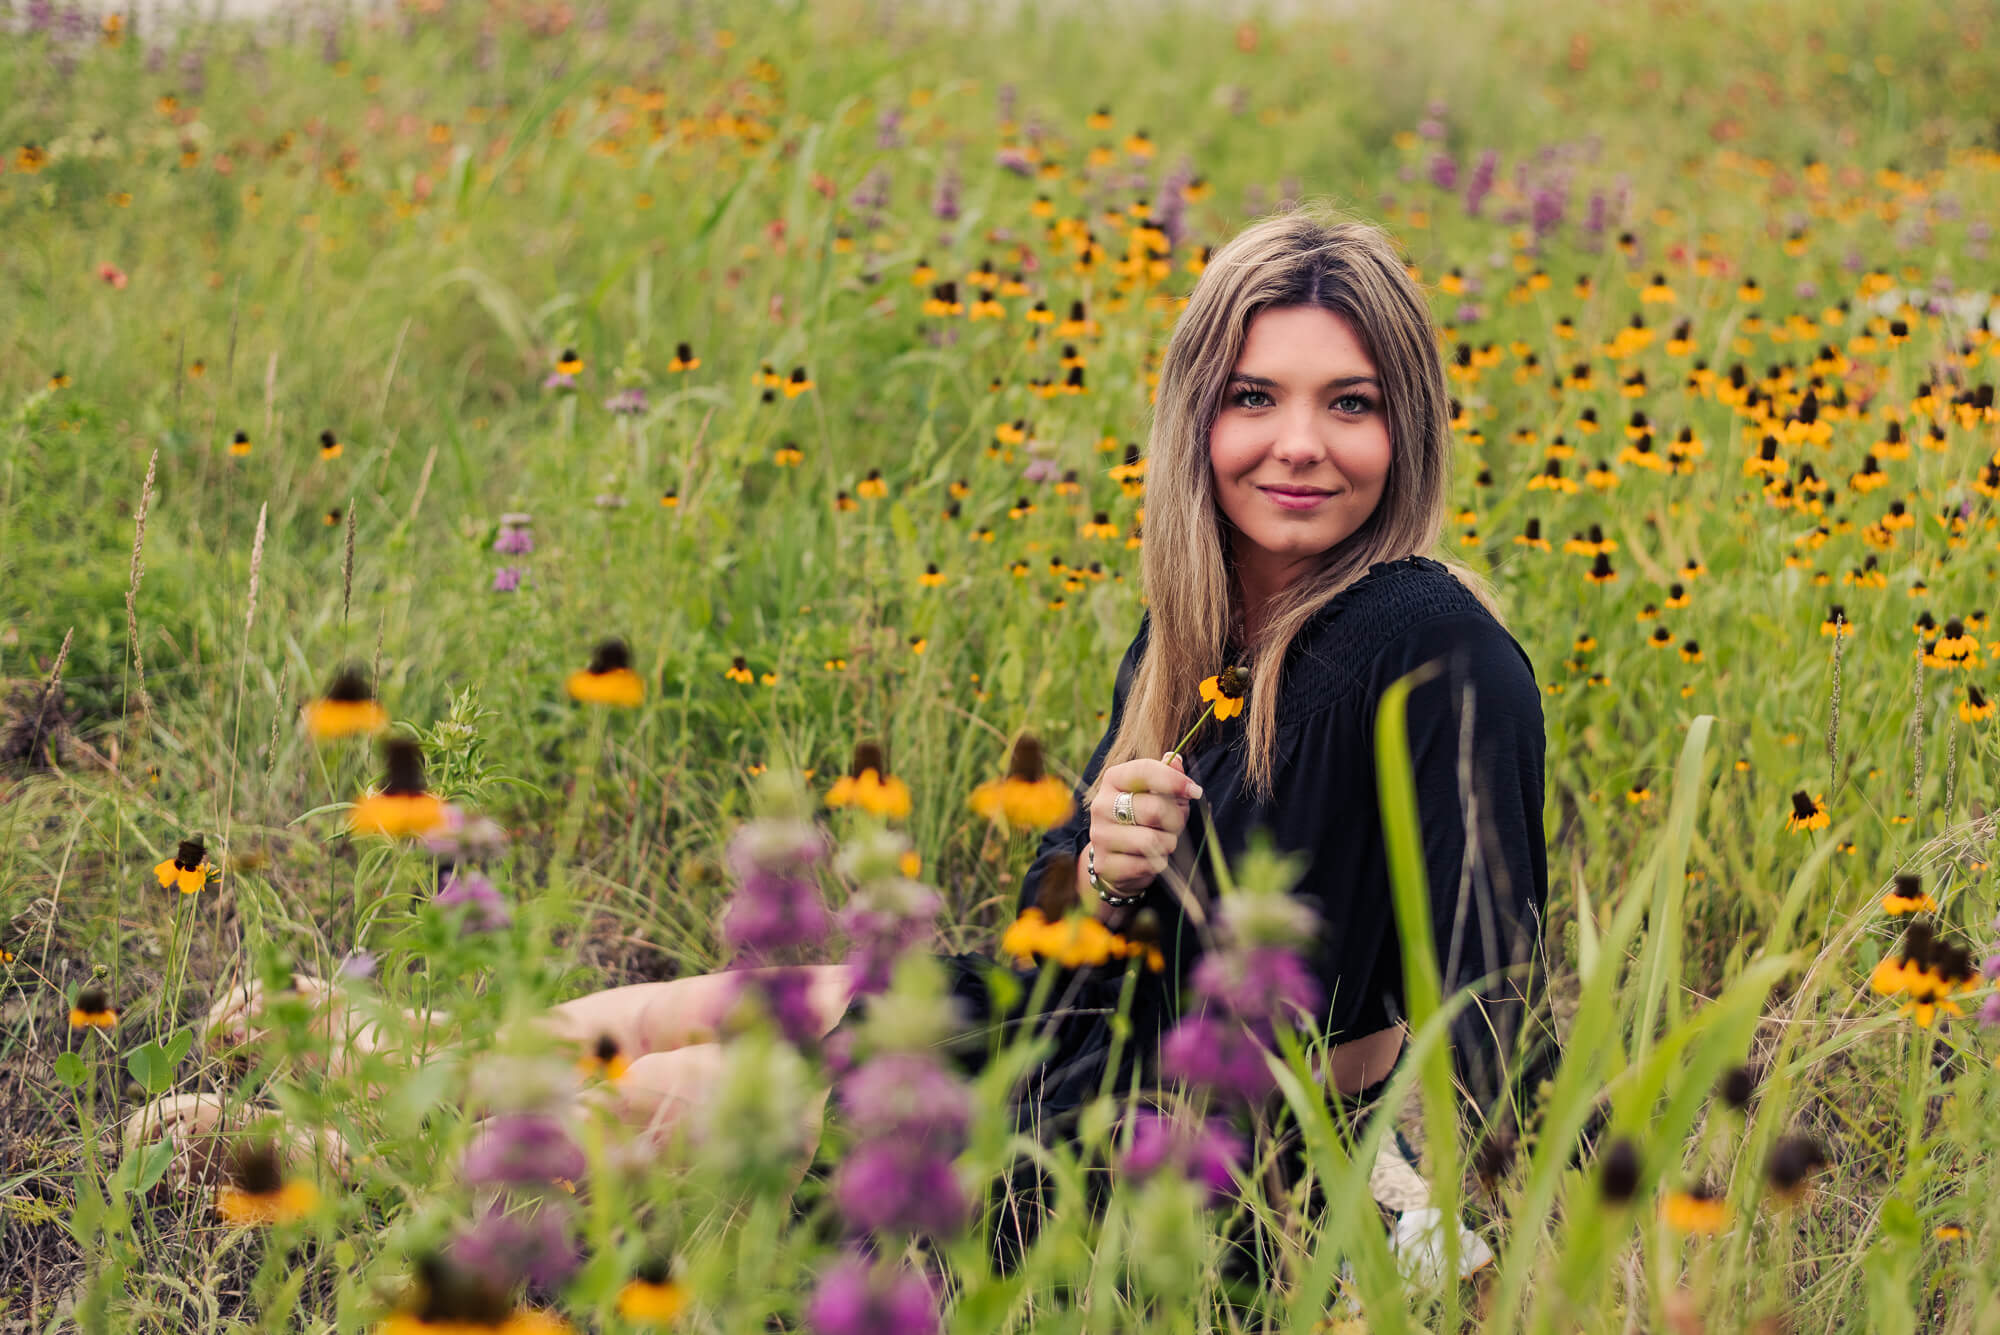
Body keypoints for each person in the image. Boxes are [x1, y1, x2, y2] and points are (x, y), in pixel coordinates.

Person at [127, 203, 1554, 1282]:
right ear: (1197, 418)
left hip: (1184, 1154)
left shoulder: (1427, 647)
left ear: (1405, 429)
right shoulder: (1206, 624)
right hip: (1063, 1029)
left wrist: (1415, 1236)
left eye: (1348, 403)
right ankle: (424, 1052)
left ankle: (328, 1158)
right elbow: (1055, 923)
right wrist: (1106, 869)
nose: (1298, 444)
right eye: (1255, 397)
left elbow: (1479, 1003)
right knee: (712, 1007)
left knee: (695, 1097)